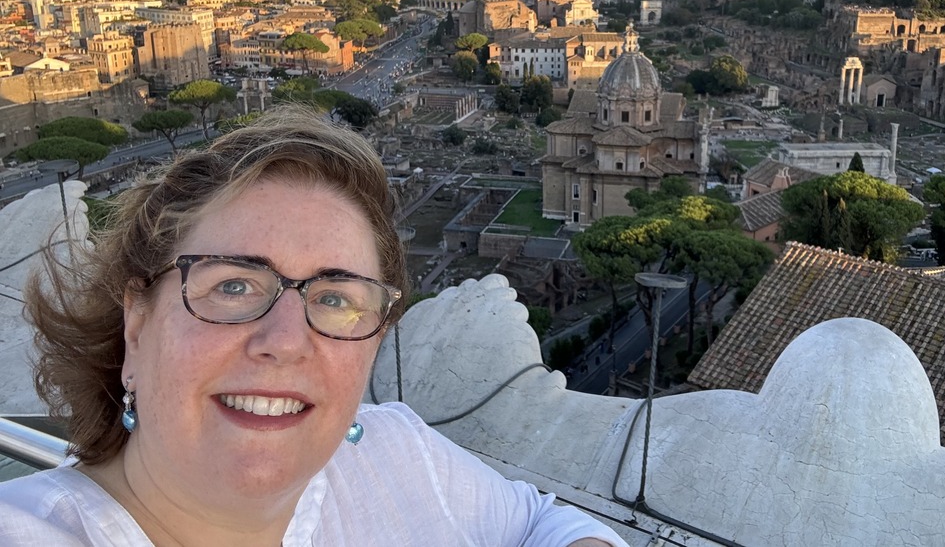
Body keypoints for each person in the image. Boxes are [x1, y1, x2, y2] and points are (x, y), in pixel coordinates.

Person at [0, 106, 625, 547]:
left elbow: (544, 523)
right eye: (234, 285)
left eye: (333, 298)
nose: (285, 341)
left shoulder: (395, 453)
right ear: (137, 324)